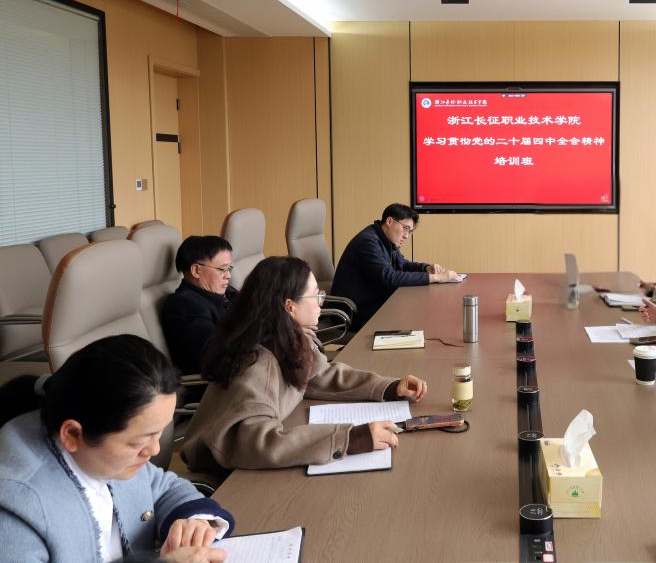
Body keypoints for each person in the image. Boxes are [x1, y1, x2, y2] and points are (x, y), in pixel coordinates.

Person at [0, 335, 234, 563]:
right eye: (138, 441)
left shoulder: (102, 454)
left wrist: (194, 521)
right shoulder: (16, 508)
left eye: (160, 432)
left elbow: (163, 486)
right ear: (72, 434)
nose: (154, 449)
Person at [183, 256, 428, 472]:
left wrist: (389, 387)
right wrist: (351, 438)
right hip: (227, 472)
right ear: (290, 307)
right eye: (316, 295)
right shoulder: (257, 364)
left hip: (264, 444)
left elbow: (321, 375)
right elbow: (258, 443)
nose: (321, 302)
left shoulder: (289, 338)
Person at [331, 203, 461, 332]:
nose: (406, 236)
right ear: (389, 221)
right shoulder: (368, 242)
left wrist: (426, 268)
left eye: (409, 231)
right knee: (415, 312)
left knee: (417, 307)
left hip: (371, 304)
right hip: (353, 313)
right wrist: (436, 278)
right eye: (405, 228)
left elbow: (402, 264)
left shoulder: (384, 239)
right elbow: (389, 277)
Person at [160, 235, 237, 374]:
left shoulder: (225, 292)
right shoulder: (184, 306)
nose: (228, 276)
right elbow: (214, 358)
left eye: (229, 269)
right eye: (222, 269)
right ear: (196, 270)